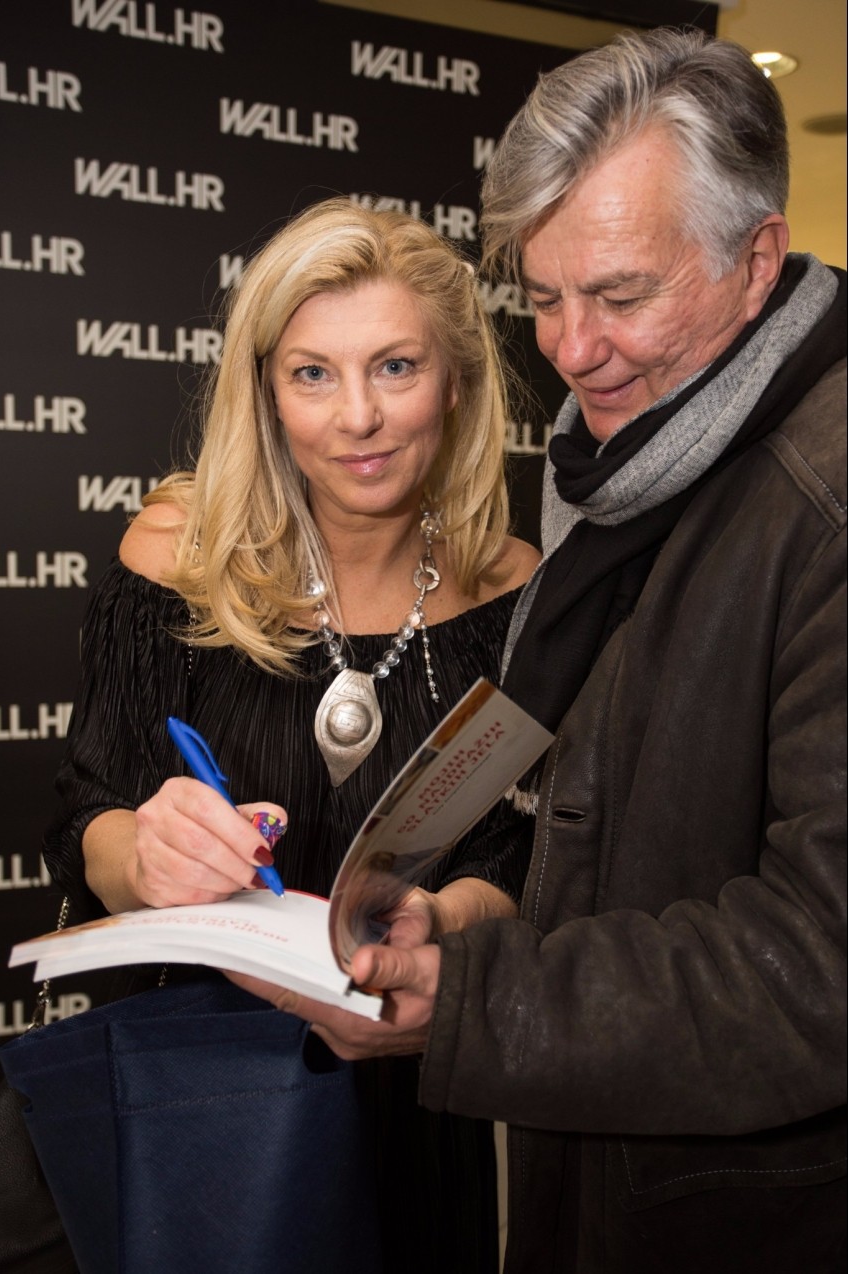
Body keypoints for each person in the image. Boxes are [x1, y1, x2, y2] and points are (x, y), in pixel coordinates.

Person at [235, 29, 847, 1274]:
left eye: (619, 296)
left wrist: (474, 999)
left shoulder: (819, 502)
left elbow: (817, 964)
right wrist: (461, 934)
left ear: (756, 261)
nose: (569, 348)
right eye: (544, 295)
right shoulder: (634, 466)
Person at [43, 197, 540, 1273]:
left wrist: (438, 917)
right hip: (196, 1104)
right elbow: (86, 815)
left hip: (414, 1100)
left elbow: (522, 859)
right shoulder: (176, 554)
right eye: (313, 373)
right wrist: (147, 854)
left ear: (456, 381)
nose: (358, 415)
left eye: (395, 366)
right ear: (265, 390)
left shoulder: (519, 594)